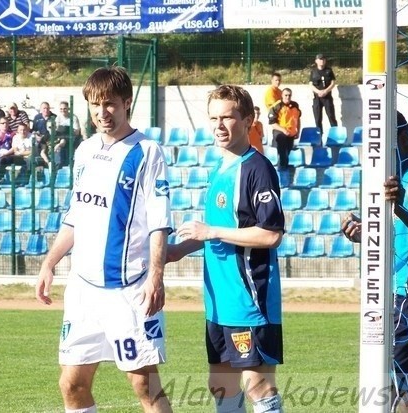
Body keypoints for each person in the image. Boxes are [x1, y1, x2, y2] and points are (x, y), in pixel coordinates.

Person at [35, 66, 173, 413]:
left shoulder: (146, 152)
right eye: (95, 105)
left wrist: (156, 277)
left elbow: (159, 222)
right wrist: (50, 263)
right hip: (84, 291)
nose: (101, 112)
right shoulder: (84, 151)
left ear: (127, 103)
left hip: (128, 290)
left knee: (144, 384)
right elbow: (76, 216)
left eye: (109, 104)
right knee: (72, 384)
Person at [167, 84, 285, 413]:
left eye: (228, 117)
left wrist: (211, 230)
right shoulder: (219, 168)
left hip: (249, 299)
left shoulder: (257, 169)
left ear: (248, 120)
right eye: (213, 118)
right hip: (218, 302)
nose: (219, 125)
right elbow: (213, 235)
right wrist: (174, 250)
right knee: (221, 384)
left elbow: (271, 235)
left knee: (257, 384)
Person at [341, 112, 408, 412]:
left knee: (401, 389)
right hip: (390, 293)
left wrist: (401, 206)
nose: (375, 155)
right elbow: (390, 230)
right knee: (401, 384)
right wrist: (362, 232)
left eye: (380, 146)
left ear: (400, 138)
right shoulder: (383, 176)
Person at [268, 88, 301, 171]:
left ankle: (285, 170)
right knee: (282, 153)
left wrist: (298, 131)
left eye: (289, 95)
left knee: (288, 152)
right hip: (280, 133)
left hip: (291, 134)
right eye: (286, 95)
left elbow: (298, 118)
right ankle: (281, 170)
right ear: (282, 96)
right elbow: (272, 123)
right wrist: (283, 130)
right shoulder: (277, 106)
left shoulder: (295, 105)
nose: (287, 97)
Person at [309, 53, 338, 135]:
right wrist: (318, 92)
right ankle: (319, 138)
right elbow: (310, 84)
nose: (322, 61)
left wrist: (326, 91)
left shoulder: (329, 70)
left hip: (327, 97)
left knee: (331, 117)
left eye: (323, 59)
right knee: (317, 119)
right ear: (316, 61)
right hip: (317, 98)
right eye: (320, 59)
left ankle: (335, 135)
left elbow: (333, 83)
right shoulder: (313, 71)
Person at [56, 100, 82, 167]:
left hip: (71, 137)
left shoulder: (73, 117)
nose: (63, 110)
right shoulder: (58, 118)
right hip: (61, 137)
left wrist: (66, 130)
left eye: (65, 108)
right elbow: (56, 130)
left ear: (68, 109)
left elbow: (77, 132)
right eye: (61, 109)